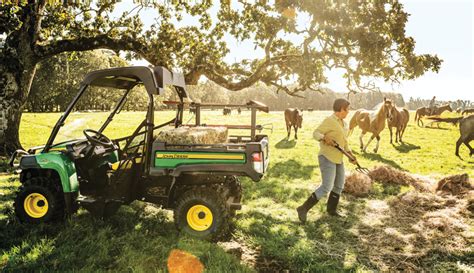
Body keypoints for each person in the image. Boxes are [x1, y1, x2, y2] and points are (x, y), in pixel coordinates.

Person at [296, 98, 358, 223]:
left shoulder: (344, 124)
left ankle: (331, 210)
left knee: (339, 185)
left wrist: (350, 155)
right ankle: (303, 208)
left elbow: (344, 143)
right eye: (348, 109)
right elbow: (315, 133)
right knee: (326, 186)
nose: (349, 112)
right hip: (327, 157)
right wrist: (324, 137)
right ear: (341, 109)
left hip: (338, 158)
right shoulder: (329, 120)